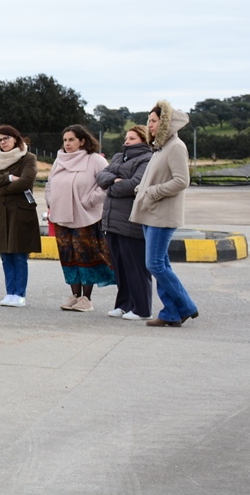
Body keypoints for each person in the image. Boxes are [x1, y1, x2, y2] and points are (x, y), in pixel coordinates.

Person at [130, 100, 199, 328]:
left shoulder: (176, 146)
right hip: (151, 212)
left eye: (154, 120)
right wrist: (143, 190)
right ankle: (170, 313)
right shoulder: (161, 146)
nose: (149, 125)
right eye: (148, 120)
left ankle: (186, 306)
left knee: (155, 264)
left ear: (165, 122)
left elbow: (181, 181)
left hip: (163, 214)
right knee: (162, 264)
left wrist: (151, 192)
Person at [45, 125, 113, 312]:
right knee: (68, 257)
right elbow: (50, 184)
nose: (67, 143)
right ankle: (74, 295)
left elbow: (106, 184)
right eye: (65, 140)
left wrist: (90, 201)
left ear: (82, 141)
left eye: (71, 139)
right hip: (61, 218)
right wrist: (52, 201)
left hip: (86, 218)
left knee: (86, 257)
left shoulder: (95, 160)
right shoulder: (60, 160)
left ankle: (87, 298)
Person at [96, 126, 153, 320]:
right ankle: (123, 304)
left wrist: (111, 185)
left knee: (135, 266)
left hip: (131, 221)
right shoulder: (119, 157)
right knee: (119, 266)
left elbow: (135, 184)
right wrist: (115, 181)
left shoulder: (147, 159)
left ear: (143, 140)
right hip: (112, 221)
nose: (127, 141)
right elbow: (101, 176)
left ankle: (142, 308)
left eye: (132, 138)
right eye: (126, 137)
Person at [0, 125, 41, 307]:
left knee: (19, 253)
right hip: (1, 212)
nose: (3, 142)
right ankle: (10, 292)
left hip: (21, 211)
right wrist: (8, 178)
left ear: (15, 138)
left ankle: (19, 294)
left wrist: (1, 186)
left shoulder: (28, 158)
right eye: (0, 140)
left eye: (6, 138)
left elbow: (25, 182)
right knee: (5, 254)